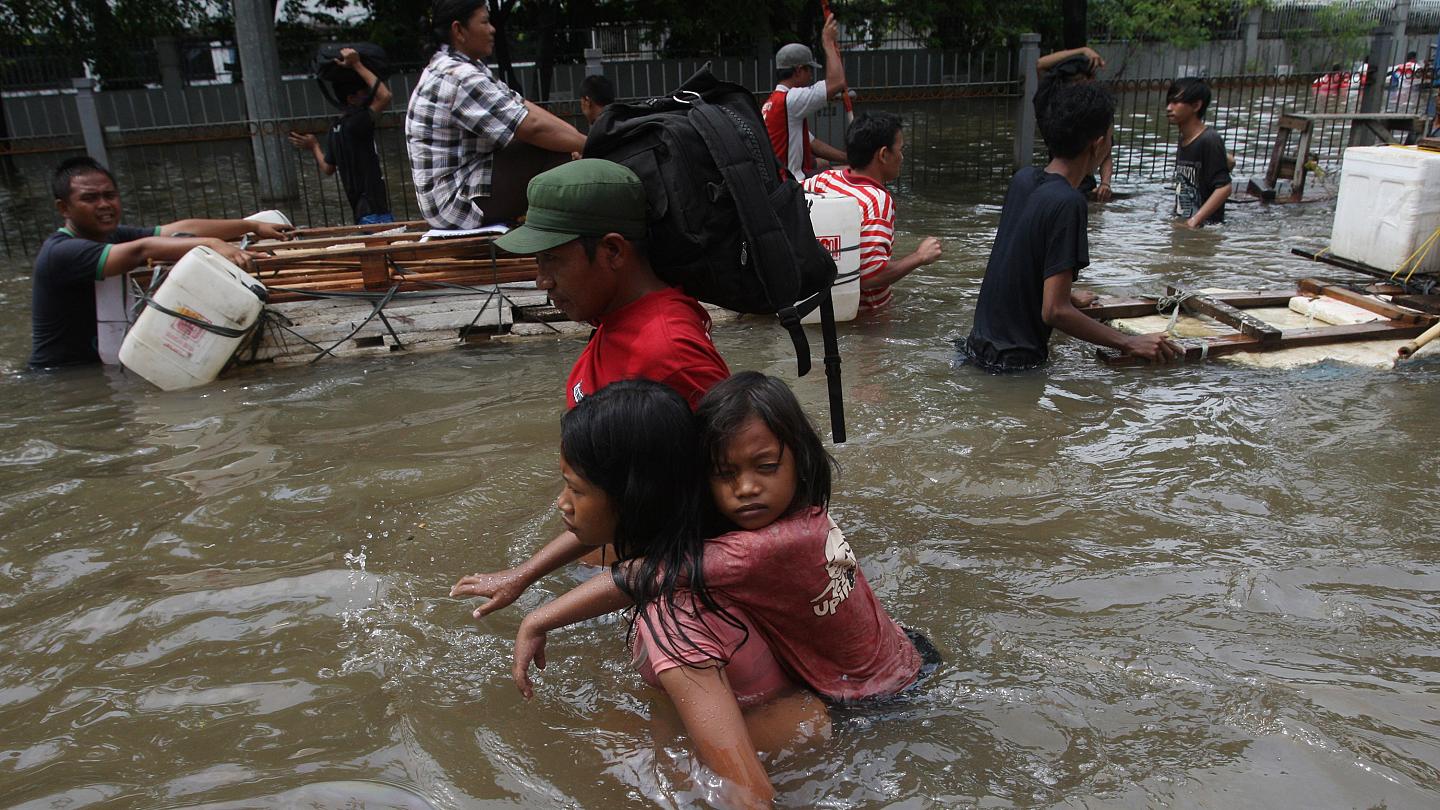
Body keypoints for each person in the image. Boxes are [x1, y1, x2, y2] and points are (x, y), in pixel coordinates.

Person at [510, 371, 934, 705]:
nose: (746, 488)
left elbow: (639, 576)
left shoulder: (761, 549)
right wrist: (521, 576)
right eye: (725, 473)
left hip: (877, 692)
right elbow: (616, 523)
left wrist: (537, 619)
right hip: (896, 647)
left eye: (765, 467)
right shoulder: (801, 513)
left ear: (801, 462)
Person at [528, 378, 830, 808]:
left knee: (612, 742)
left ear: (633, 501)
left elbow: (748, 793)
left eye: (575, 489)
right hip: (800, 705)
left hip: (796, 731)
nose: (562, 502)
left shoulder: (674, 618)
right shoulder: (719, 534)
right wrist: (523, 583)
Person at [449, 158, 729, 593]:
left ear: (613, 251)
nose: (541, 280)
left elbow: (731, 489)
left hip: (644, 588)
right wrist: (522, 576)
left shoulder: (667, 349)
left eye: (553, 260)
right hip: (606, 575)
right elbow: (618, 491)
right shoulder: (613, 323)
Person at [962, 82, 1179, 372]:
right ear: (1098, 143)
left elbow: (1020, 261)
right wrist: (1129, 342)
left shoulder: (1024, 179)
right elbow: (1054, 312)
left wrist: (1069, 296)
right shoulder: (1069, 202)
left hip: (976, 348)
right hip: (1015, 364)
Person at [29, 157, 281, 369]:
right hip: (64, 374)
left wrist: (251, 225)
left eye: (110, 195)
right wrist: (213, 245)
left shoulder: (111, 236)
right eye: (90, 198)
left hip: (100, 365)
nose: (104, 204)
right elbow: (141, 250)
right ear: (64, 208)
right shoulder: (62, 252)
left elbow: (179, 229)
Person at [405, 0, 586, 229]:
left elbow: (523, 108)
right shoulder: (458, 76)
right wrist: (591, 145)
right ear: (459, 30)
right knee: (556, 154)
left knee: (560, 145)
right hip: (454, 204)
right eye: (485, 22)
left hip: (457, 190)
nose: (492, 29)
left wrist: (579, 139)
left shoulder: (466, 67)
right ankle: (557, 236)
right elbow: (532, 126)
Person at [802, 112, 942, 311]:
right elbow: (870, 276)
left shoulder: (823, 180)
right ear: (884, 154)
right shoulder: (877, 201)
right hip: (867, 318)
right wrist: (919, 257)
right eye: (900, 150)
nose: (902, 157)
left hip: (820, 306)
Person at [289, 47, 395, 225]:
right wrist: (357, 64)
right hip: (375, 210)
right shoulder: (358, 122)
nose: (369, 95)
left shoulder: (336, 128)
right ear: (351, 98)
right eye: (363, 93)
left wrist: (314, 146)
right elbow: (385, 96)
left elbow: (327, 168)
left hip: (360, 212)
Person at [761, 13, 848, 182]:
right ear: (799, 70)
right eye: (809, 70)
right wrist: (828, 43)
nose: (811, 77)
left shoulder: (774, 102)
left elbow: (813, 144)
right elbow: (837, 81)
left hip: (780, 178)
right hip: (790, 184)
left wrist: (846, 157)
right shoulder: (791, 100)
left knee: (824, 163)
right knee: (850, 173)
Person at [1035, 46, 1114, 202]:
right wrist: (1082, 51)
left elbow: (1106, 152)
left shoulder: (1098, 112)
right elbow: (1040, 64)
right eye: (1075, 82)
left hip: (1082, 186)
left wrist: (1106, 183)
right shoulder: (1056, 109)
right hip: (1061, 180)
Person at [1166, 77, 1232, 229]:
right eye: (1169, 102)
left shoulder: (1209, 139)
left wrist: (1195, 220)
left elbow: (1224, 188)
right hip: (1187, 223)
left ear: (1196, 105)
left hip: (1206, 227)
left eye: (1176, 102)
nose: (1169, 108)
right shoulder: (1184, 139)